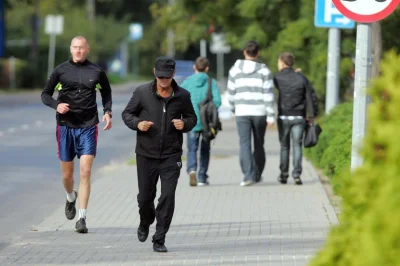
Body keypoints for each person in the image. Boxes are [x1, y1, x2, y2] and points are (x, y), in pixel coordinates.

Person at [121, 56, 197, 252]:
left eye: (167, 77)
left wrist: (185, 124)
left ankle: (159, 238)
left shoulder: (183, 96)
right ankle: (145, 221)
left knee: (167, 196)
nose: (163, 81)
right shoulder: (142, 93)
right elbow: (127, 114)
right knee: (145, 198)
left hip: (171, 155)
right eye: (160, 76)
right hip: (146, 154)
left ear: (173, 75)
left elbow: (191, 118)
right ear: (154, 72)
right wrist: (138, 124)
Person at [41, 36, 113, 233]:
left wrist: (108, 112)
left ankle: (82, 218)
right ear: (71, 49)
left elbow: (106, 93)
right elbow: (45, 95)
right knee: (67, 175)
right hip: (65, 126)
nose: (79, 51)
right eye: (75, 47)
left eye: (82, 48)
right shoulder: (60, 71)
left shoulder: (97, 72)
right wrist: (57, 105)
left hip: (89, 126)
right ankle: (70, 197)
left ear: (87, 49)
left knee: (86, 172)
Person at [227, 40, 275, 186]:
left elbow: (230, 93)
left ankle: (248, 176)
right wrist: (271, 115)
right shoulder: (264, 71)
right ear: (258, 53)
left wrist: (233, 109)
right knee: (259, 144)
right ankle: (257, 174)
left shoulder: (234, 70)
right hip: (260, 112)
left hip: (242, 111)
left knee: (244, 144)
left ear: (244, 52)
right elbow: (268, 94)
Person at [273, 52, 319, 185]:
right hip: (299, 116)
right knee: (297, 145)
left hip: (283, 116)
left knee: (284, 146)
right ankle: (297, 175)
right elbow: (310, 96)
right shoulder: (301, 78)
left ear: (282, 62)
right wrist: (311, 115)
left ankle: (283, 175)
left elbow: (275, 86)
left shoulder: (277, 78)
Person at [180, 57, 222, 187]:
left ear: (194, 67)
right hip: (207, 123)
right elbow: (218, 101)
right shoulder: (211, 82)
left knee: (192, 148)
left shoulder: (186, 82)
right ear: (207, 68)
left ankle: (192, 170)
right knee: (205, 149)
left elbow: (178, 98)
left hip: (191, 121)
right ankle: (202, 177)